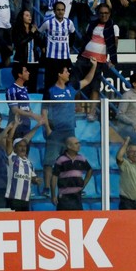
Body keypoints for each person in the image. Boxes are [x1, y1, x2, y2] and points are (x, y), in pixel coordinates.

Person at [42, 59, 97, 196]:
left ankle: (75, 187)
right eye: (66, 71)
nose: (68, 73)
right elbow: (44, 111)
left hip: (70, 131)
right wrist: (48, 128)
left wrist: (94, 65)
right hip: (55, 132)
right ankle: (47, 188)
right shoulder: (50, 91)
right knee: (50, 161)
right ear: (60, 74)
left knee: (72, 160)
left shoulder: (71, 88)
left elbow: (88, 80)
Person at [3, 116, 42, 211]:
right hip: (13, 198)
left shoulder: (29, 163)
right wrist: (15, 125)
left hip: (26, 199)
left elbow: (32, 178)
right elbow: (8, 140)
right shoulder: (13, 158)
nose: (23, 148)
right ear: (15, 148)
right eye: (20, 146)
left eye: (24, 146)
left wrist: (36, 180)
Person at [51, 136, 93, 211]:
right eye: (76, 143)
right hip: (64, 196)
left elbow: (90, 170)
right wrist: (53, 195)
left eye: (79, 143)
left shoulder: (81, 158)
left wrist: (83, 184)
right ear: (69, 146)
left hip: (77, 196)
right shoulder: (61, 159)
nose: (79, 145)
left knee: (78, 219)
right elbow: (54, 177)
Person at [6, 64, 43, 138]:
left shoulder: (24, 89)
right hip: (16, 125)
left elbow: (26, 107)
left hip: (26, 125)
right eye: (26, 71)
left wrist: (35, 116)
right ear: (19, 74)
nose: (28, 73)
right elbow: (14, 110)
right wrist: (32, 115)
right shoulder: (12, 89)